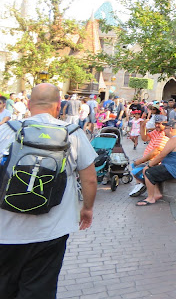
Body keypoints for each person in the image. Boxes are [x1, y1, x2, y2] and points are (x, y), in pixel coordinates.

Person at [0, 83, 97, 299]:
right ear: (59, 105)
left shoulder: (7, 130)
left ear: (28, 103)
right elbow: (89, 178)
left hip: (5, 230)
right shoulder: (73, 133)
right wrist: (87, 208)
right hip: (51, 230)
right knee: (40, 288)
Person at [136, 120, 176, 206]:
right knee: (152, 170)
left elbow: (161, 155)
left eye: (166, 128)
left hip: (173, 169)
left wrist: (149, 165)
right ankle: (157, 194)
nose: (164, 130)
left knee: (147, 171)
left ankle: (150, 198)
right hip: (172, 167)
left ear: (171, 129)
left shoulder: (174, 140)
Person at [128, 119, 170, 197]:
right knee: (134, 166)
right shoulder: (156, 132)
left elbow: (156, 152)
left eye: (159, 124)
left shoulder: (164, 136)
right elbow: (145, 138)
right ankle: (139, 185)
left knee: (136, 171)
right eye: (156, 123)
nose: (156, 125)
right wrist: (142, 126)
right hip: (149, 160)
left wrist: (140, 161)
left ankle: (144, 185)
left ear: (165, 124)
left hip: (154, 161)